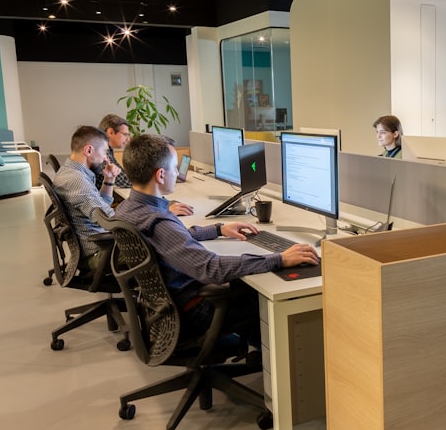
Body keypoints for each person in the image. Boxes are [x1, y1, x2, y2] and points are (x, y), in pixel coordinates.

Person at [115, 134, 318, 350]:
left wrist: (218, 229)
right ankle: (276, 367)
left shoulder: (127, 209)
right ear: (161, 175)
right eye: (175, 168)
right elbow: (212, 269)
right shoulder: (158, 221)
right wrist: (279, 259)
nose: (177, 173)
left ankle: (258, 355)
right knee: (261, 295)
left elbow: (172, 240)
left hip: (164, 306)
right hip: (192, 310)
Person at [97, 113, 193, 216]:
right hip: (106, 211)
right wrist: (152, 180)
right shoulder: (102, 154)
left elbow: (125, 175)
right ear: (111, 132)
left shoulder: (106, 151)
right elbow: (126, 181)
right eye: (125, 134)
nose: (128, 139)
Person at [53, 125, 119, 269]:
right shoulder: (77, 182)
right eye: (104, 152)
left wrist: (109, 180)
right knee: (156, 246)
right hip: (98, 253)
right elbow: (108, 220)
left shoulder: (70, 172)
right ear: (88, 150)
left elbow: (100, 205)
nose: (106, 158)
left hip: (98, 244)